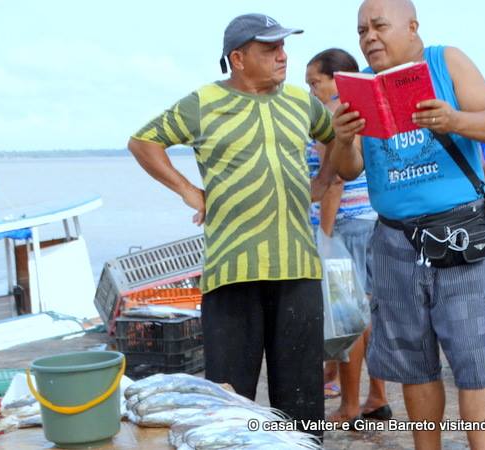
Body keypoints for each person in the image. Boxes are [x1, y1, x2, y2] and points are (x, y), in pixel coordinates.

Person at [127, 13, 338, 436]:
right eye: (270, 50)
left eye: (283, 47)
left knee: (302, 402)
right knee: (229, 401)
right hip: (232, 273)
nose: (283, 56)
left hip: (298, 268)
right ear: (238, 59)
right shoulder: (203, 103)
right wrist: (188, 190)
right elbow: (143, 141)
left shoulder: (301, 100)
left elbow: (333, 135)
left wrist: (321, 180)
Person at [331, 1, 485, 448]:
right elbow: (347, 169)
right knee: (413, 364)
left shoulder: (445, 60)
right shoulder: (360, 88)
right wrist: (343, 138)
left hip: (457, 235)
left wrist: (454, 120)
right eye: (361, 31)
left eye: (378, 26)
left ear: (412, 27)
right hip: (393, 240)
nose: (369, 37)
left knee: (475, 363)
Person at [305, 48, 392, 424]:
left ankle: (350, 405)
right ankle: (376, 396)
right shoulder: (364, 107)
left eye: (314, 82)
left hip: (340, 227)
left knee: (347, 320)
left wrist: (323, 237)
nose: (310, 91)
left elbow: (336, 179)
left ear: (336, 79)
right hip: (368, 222)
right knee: (367, 317)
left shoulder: (332, 116)